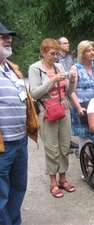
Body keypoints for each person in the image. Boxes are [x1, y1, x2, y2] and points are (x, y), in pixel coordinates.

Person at [28, 38, 76, 198]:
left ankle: (63, 179)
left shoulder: (60, 67)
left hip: (64, 109)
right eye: (52, 54)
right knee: (51, 148)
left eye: (56, 53)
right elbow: (34, 93)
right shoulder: (35, 68)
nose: (55, 57)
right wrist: (51, 81)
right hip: (47, 112)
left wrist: (73, 81)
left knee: (64, 146)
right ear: (43, 52)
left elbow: (68, 91)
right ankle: (53, 182)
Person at [0, 21, 29, 225]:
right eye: (3, 36)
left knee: (18, 187)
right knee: (1, 193)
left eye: (9, 36)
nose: (8, 39)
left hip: (20, 140)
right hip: (3, 144)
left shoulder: (12, 68)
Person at [69, 40, 94, 160]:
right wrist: (78, 107)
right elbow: (72, 92)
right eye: (88, 50)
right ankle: (86, 169)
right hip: (83, 106)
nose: (92, 52)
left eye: (92, 50)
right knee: (84, 138)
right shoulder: (76, 68)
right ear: (82, 53)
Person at [57, 36, 79, 152]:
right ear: (59, 46)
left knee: (68, 115)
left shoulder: (70, 58)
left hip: (69, 88)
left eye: (68, 43)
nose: (68, 45)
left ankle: (67, 141)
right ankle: (62, 144)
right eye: (65, 43)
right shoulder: (56, 59)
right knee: (61, 116)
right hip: (59, 90)